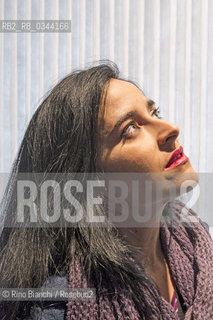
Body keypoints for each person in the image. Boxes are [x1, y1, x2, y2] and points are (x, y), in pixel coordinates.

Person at [0, 62, 212, 320]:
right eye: (131, 128)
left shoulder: (197, 246)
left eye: (155, 113)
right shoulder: (55, 306)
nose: (170, 129)